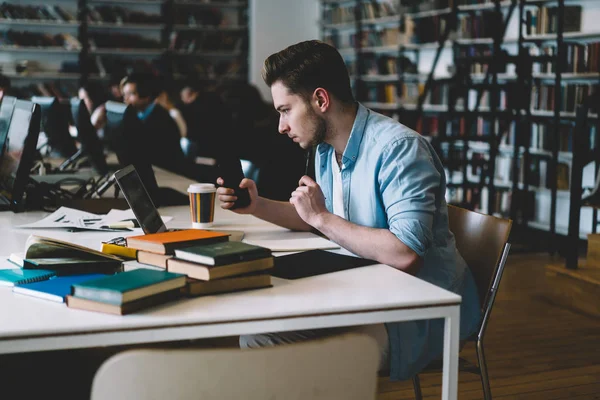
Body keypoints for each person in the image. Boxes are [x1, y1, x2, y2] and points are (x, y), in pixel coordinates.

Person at [216, 40, 482, 380]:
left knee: (264, 340)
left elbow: (405, 253)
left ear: (321, 100)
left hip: (417, 313)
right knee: (261, 327)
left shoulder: (400, 150)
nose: (281, 126)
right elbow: (318, 222)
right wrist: (258, 206)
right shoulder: (326, 149)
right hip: (364, 293)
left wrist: (321, 217)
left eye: (285, 110)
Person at [120, 72, 186, 175]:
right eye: (124, 94)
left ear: (146, 95)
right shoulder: (137, 114)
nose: (126, 99)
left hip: (170, 173)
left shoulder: (161, 118)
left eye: (131, 94)